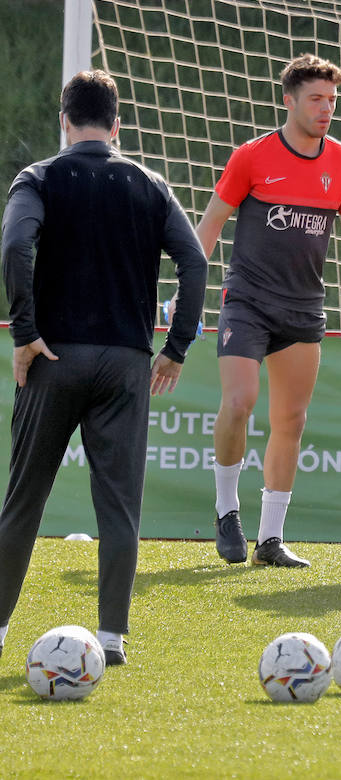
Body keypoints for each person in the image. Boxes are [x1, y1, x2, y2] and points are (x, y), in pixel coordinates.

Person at [0, 69, 207, 664]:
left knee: (23, 500)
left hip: (53, 356)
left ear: (63, 120)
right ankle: (112, 639)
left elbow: (15, 247)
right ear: (116, 125)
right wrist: (177, 347)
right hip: (125, 363)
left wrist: (25, 331)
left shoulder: (37, 177)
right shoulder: (150, 183)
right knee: (118, 504)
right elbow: (193, 265)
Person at [195, 54, 341, 568]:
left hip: (303, 308)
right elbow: (209, 225)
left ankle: (271, 540)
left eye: (331, 100)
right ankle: (227, 509)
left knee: (290, 419)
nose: (326, 109)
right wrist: (186, 286)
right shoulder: (250, 156)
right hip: (247, 302)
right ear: (288, 101)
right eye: (316, 99)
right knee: (241, 401)